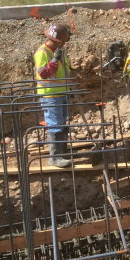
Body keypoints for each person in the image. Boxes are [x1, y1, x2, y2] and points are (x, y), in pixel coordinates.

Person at [34, 23, 73, 167]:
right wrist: (55, 60)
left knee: (62, 124)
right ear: (57, 40)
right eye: (63, 41)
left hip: (62, 92)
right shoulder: (43, 52)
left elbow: (66, 71)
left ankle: (62, 153)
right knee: (55, 124)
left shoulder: (60, 50)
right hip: (50, 95)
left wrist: (69, 88)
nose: (64, 44)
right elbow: (43, 74)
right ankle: (55, 158)